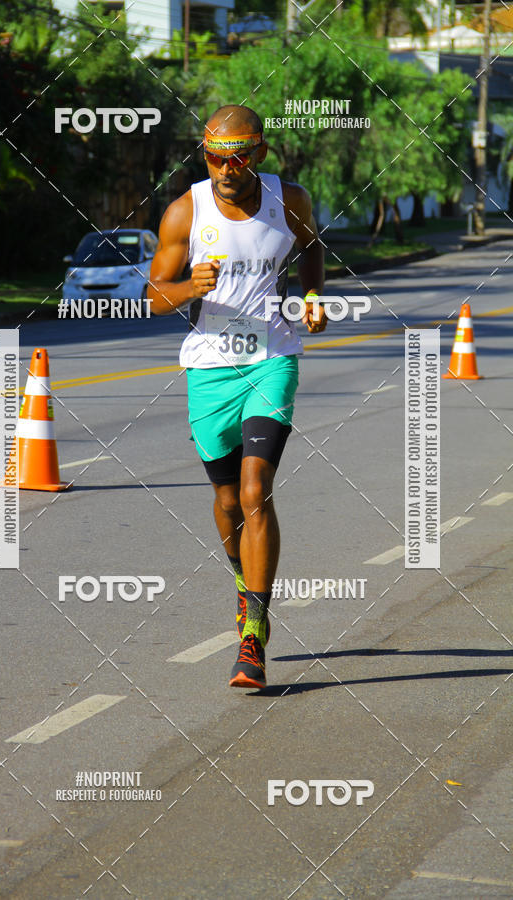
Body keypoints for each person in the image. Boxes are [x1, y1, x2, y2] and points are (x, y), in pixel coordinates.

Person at [147, 104, 326, 689]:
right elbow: (153, 295)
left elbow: (311, 247)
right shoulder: (186, 211)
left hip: (271, 359)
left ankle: (254, 633)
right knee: (227, 501)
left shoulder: (288, 200)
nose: (227, 168)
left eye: (239, 157)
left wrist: (312, 297)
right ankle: (243, 582)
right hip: (210, 368)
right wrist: (187, 288)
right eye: (215, 157)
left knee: (254, 490)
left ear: (260, 155)